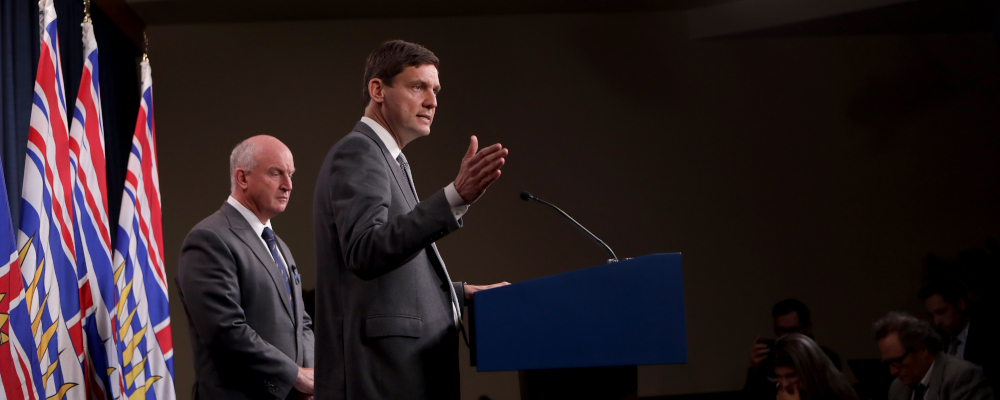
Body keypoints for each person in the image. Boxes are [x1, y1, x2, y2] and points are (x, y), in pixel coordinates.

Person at [312, 40, 509, 400]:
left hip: (402, 372)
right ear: (378, 90)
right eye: (418, 86)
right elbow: (365, 250)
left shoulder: (393, 161)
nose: (432, 101)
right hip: (383, 375)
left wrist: (458, 292)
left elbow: (394, 270)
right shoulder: (359, 151)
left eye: (435, 90)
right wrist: (454, 198)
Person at [177, 136, 315, 400]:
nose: (288, 185)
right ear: (242, 178)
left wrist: (311, 376)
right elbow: (225, 330)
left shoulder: (280, 247)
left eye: (290, 174)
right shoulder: (209, 239)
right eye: (276, 173)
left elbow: (302, 323)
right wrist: (295, 376)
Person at [874, 312, 994, 400]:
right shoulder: (897, 388)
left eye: (897, 361)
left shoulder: (962, 378)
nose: (892, 371)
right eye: (888, 363)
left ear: (922, 349)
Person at [746, 299, 842, 400]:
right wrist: (755, 371)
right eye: (781, 330)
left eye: (792, 330)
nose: (786, 336)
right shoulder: (771, 357)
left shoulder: (825, 358)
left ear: (807, 328)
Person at [919, 280, 994, 375]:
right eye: (931, 315)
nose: (937, 321)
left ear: (960, 304)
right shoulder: (937, 339)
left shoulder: (984, 334)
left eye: (941, 312)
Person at [772, 334, 859, 400]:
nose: (784, 384)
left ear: (810, 370)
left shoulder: (835, 396)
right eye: (779, 376)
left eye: (791, 376)